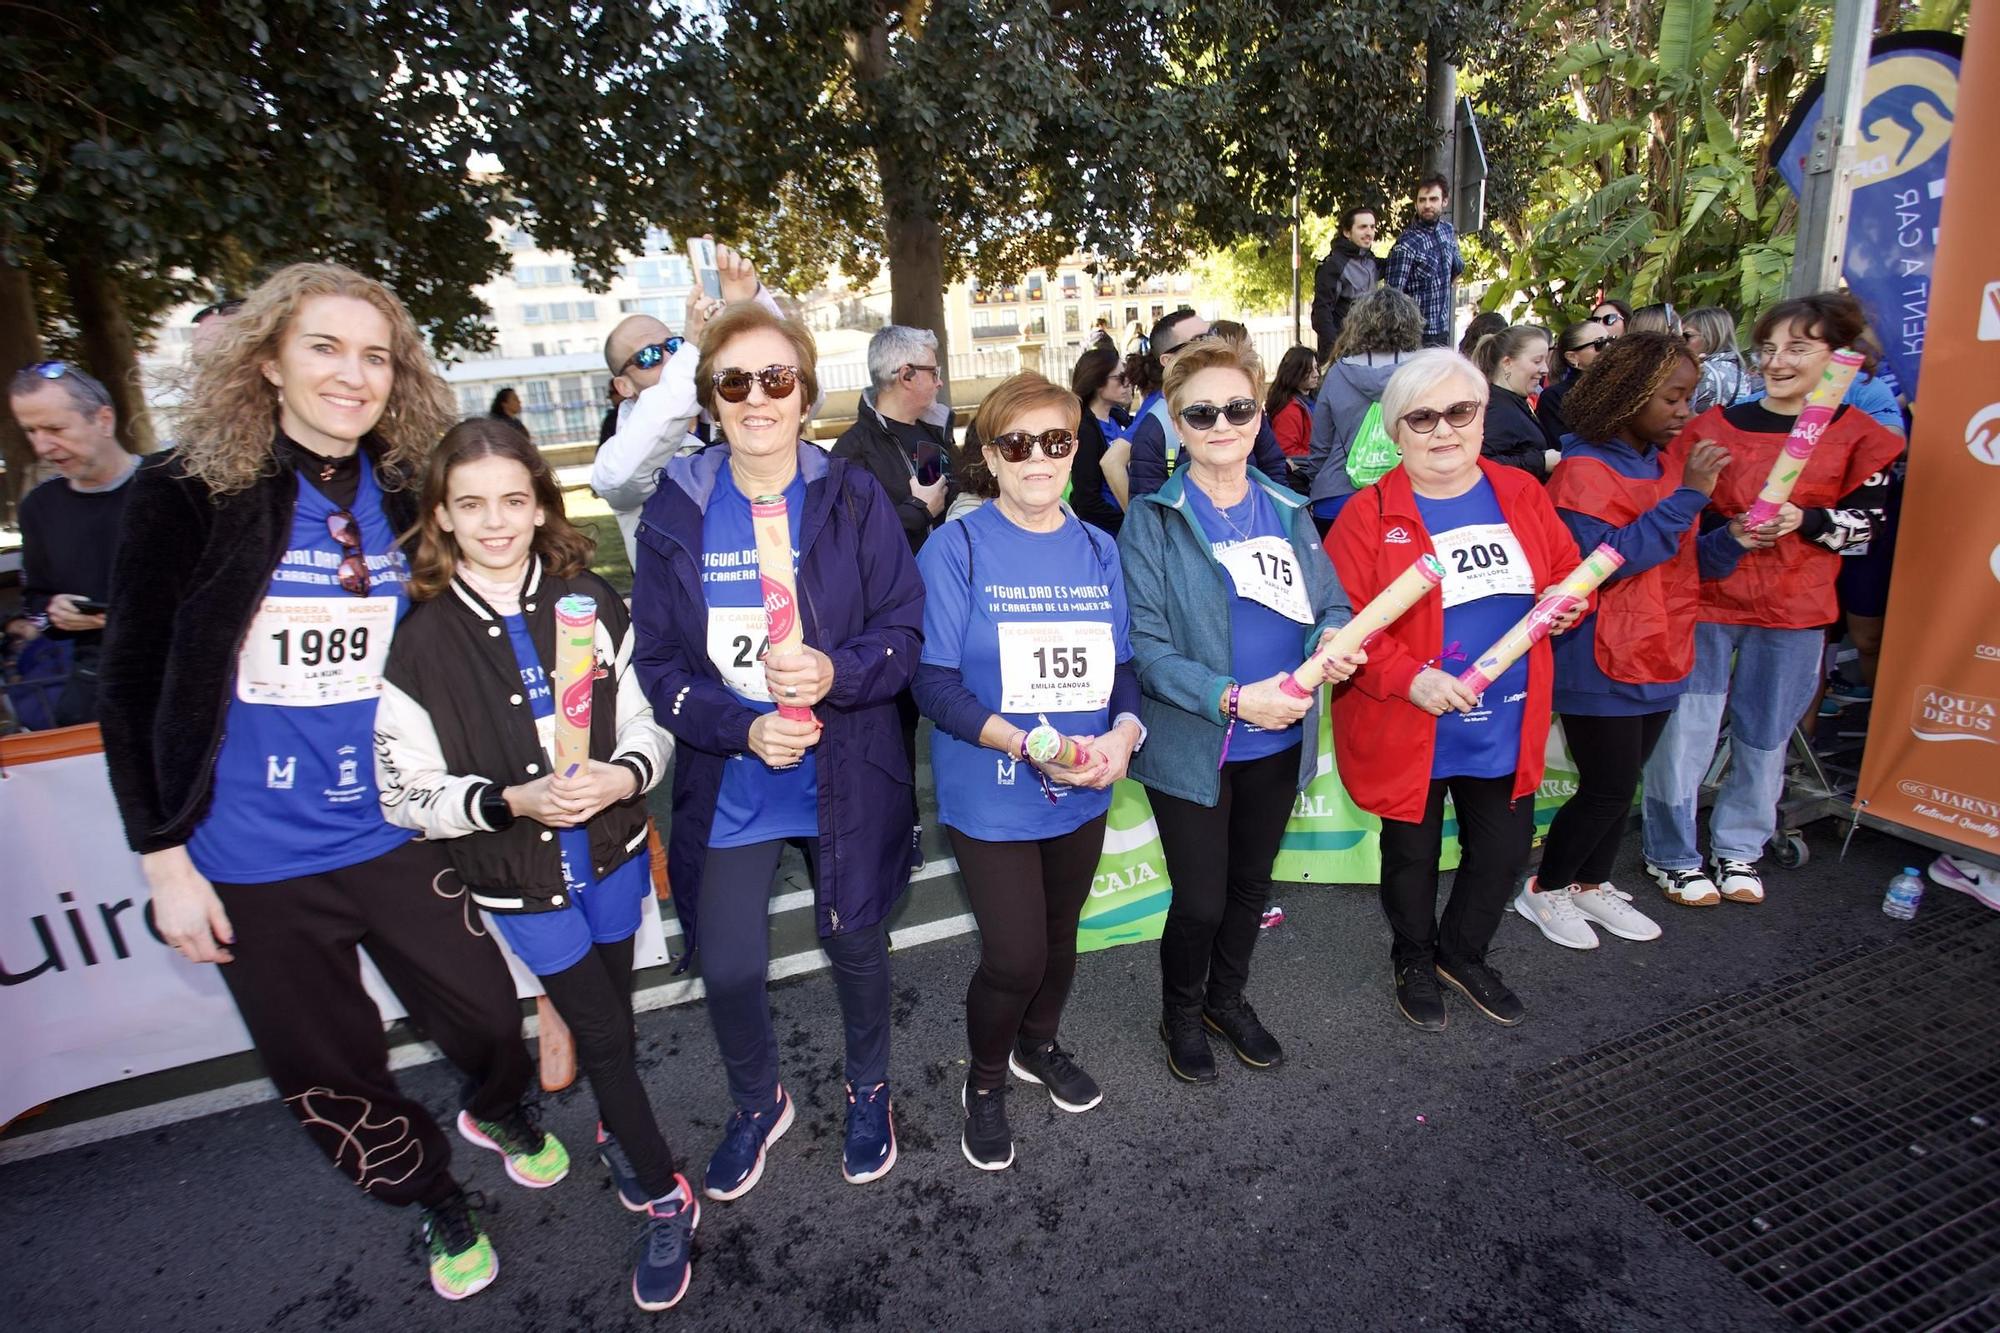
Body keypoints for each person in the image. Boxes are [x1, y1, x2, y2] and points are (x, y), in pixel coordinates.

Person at [95, 263, 555, 1303]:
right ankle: (432, 1193)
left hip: (391, 828)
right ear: (267, 361)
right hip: (250, 858)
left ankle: (495, 1102)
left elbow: (487, 580)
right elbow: (128, 682)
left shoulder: (404, 490)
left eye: (375, 356)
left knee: (487, 1013)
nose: (352, 375)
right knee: (332, 1068)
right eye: (324, 348)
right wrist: (163, 855)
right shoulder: (183, 492)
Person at [372, 420, 693, 1310]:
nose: (497, 521)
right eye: (471, 504)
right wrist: (510, 799)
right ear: (441, 513)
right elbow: (405, 794)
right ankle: (665, 1190)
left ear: (540, 503)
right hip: (520, 877)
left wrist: (623, 772)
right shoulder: (420, 640)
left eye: (514, 500)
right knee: (604, 1035)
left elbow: (646, 722)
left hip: (615, 857)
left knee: (612, 1019)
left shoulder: (587, 595)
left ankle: (614, 1129)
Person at [629, 302, 925, 1201]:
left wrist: (834, 668)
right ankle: (758, 1100)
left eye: (776, 378)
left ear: (804, 392)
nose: (756, 396)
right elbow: (660, 661)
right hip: (737, 773)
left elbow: (902, 630)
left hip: (846, 766)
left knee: (858, 944)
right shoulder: (676, 508)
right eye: (734, 381)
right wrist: (740, 724)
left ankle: (868, 1085)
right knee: (727, 963)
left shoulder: (852, 492)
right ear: (710, 400)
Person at [912, 372, 1144, 1169]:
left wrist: (1124, 732)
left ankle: (1036, 1045)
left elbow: (1122, 667)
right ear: (991, 455)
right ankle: (983, 1079)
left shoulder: (1096, 548)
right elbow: (933, 683)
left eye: (1057, 441)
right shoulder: (957, 546)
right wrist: (1025, 743)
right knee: (1014, 955)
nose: (1039, 457)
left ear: (1076, 449)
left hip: (1083, 783)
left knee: (1060, 937)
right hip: (995, 787)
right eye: (1018, 443)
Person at [1119, 338, 1360, 1083]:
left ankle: (1229, 998)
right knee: (1199, 897)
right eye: (1201, 412)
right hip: (1197, 741)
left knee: (1251, 886)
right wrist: (1230, 697)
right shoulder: (1152, 521)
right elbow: (1149, 653)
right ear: (1176, 423)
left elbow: (1332, 605)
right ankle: (1182, 1012)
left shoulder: (1290, 508)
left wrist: (1332, 641)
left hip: (1280, 737)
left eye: (1238, 407)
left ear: (1259, 415)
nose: (1221, 423)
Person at [1325, 349, 1586, 1032]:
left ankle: (1462, 952)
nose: (1443, 430)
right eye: (1422, 417)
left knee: (1501, 850)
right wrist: (1411, 677)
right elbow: (1342, 630)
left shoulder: (1522, 493)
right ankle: (1412, 954)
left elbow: (1561, 573)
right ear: (1396, 429)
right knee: (1410, 852)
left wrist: (1568, 602)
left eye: (1460, 412)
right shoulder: (1366, 514)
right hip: (1411, 719)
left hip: (1504, 719)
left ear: (1481, 416)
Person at [1640, 292, 1904, 907]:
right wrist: (1723, 532)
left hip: (1796, 607)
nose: (1778, 361)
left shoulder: (1861, 436)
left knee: (1765, 735)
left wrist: (1804, 521)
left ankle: (1739, 848)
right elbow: (1673, 516)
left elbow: (1865, 531)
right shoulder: (1713, 427)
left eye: (1798, 349)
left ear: (1837, 357)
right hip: (1706, 600)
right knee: (1688, 731)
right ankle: (1671, 852)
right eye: (1770, 348)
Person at [1519, 332, 1769, 948]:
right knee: (1605, 787)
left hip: (1664, 647)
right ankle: (1545, 890)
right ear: (1628, 398)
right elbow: (1602, 563)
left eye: (1690, 397)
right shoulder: (1582, 471)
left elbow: (1685, 562)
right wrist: (1690, 498)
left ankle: (1590, 884)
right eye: (1673, 398)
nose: (1686, 412)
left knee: (1622, 784)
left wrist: (1732, 539)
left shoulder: (1665, 466)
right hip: (1598, 655)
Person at [592, 239, 774, 565]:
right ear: (624, 385)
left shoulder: (724, 406)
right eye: (648, 356)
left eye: (673, 345)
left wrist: (751, 307)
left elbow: (802, 398)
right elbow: (623, 477)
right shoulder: (620, 453)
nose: (669, 357)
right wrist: (691, 351)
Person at [9, 361, 136, 726]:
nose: (42, 446)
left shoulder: (168, 487)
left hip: (183, 677)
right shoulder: (39, 506)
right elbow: (34, 600)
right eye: (30, 431)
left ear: (104, 420)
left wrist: (125, 617)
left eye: (54, 428)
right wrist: (52, 610)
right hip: (94, 688)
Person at [1125, 310, 1287, 498]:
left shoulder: (1245, 402)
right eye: (1200, 340)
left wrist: (1279, 514)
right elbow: (1147, 513)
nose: (1222, 425)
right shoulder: (1153, 430)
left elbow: (1273, 466)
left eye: (1213, 334)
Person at [1302, 287, 1423, 528]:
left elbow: (1320, 446)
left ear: (1357, 325)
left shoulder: (1338, 374)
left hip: (1338, 499)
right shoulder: (1425, 372)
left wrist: (1316, 481)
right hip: (1407, 497)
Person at [832, 324, 956, 554]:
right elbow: (847, 540)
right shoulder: (851, 452)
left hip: (946, 582)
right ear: (906, 375)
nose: (939, 382)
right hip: (898, 589)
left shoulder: (933, 432)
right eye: (933, 373)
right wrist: (918, 511)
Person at [1384, 174, 1464, 349]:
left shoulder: (1447, 231)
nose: (1427, 205)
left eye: (1433, 199)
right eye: (1422, 200)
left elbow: (1458, 267)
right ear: (1416, 204)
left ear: (1445, 201)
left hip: (1442, 330)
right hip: (1415, 336)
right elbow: (1391, 297)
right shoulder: (1406, 244)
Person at [1471, 326, 1557, 479]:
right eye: (1537, 361)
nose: (1545, 370)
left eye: (1545, 360)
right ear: (1507, 363)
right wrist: (1541, 461)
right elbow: (1481, 464)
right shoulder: (1499, 410)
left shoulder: (1511, 401)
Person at [1068, 342, 1134, 535]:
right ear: (1097, 382)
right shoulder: (1085, 431)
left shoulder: (1118, 418)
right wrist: (1131, 523)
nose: (1127, 382)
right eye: (1120, 377)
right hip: (1108, 533)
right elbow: (1087, 501)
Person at [1310, 205, 1382, 359]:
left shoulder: (1371, 262)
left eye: (1372, 227)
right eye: (1362, 227)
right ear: (1347, 232)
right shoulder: (1333, 266)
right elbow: (1321, 313)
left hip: (1367, 350)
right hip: (1341, 354)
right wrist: (1335, 349)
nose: (1369, 232)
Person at [1536, 320, 1611, 441]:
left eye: (1611, 340)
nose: (1609, 348)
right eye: (1599, 344)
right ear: (1572, 357)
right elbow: (1565, 445)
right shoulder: (1554, 397)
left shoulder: (1624, 384)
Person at [1682, 306, 1757, 413]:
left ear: (1711, 336)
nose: (1679, 341)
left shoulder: (1704, 372)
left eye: (1686, 336)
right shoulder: (1738, 370)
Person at [1264, 345, 1320, 463]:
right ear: (1295, 372)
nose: (1316, 374)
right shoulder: (1289, 410)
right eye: (1310, 370)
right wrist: (1321, 458)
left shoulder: (1310, 399)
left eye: (1316, 368)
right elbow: (1287, 450)